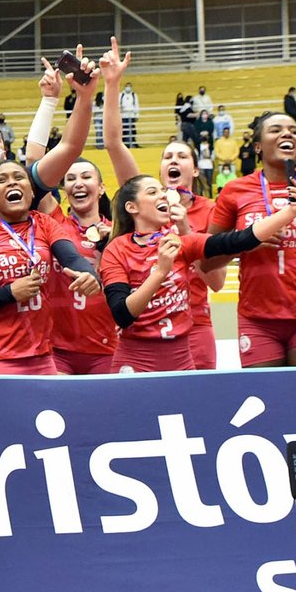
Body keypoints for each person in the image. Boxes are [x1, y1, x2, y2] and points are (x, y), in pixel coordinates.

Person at [100, 42, 224, 370]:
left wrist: (185, 229)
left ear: (195, 170)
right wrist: (112, 85)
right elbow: (113, 143)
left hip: (195, 326)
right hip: (141, 330)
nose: (174, 160)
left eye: (182, 156)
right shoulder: (144, 199)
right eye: (168, 156)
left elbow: (217, 282)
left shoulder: (210, 209)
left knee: (197, 416)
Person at [102, 174, 296, 372]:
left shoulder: (180, 241)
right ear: (132, 207)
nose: (163, 195)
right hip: (136, 363)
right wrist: (160, 273)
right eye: (152, 192)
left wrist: (290, 211)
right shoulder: (116, 250)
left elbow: (239, 240)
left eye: (163, 190)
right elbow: (122, 315)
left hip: (181, 361)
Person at [209, 113, 296, 367]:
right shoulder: (234, 191)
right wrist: (248, 240)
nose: (287, 134)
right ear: (257, 146)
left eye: (293, 130)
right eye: (276, 130)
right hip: (257, 319)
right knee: (268, 402)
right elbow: (207, 258)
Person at [0, 160, 100, 375]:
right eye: (1, 180)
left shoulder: (45, 224)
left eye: (19, 178)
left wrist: (89, 275)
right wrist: (9, 293)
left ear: (31, 190)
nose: (11, 183)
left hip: (42, 355)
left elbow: (72, 258)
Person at [46, 158, 118, 374]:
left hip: (106, 348)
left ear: (101, 188)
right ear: (64, 189)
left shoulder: (118, 232)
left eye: (86, 177)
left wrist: (114, 243)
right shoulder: (54, 223)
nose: (78, 183)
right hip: (57, 350)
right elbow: (35, 165)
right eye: (70, 178)